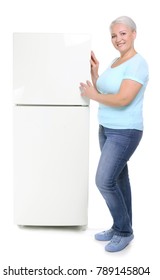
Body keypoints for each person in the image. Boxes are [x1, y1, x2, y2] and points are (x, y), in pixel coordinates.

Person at [80, 16, 149, 252]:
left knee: (104, 181)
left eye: (122, 33)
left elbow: (122, 99)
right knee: (118, 180)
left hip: (125, 131)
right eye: (113, 35)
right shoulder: (116, 62)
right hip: (107, 129)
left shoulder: (138, 63)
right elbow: (104, 90)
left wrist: (93, 95)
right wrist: (95, 72)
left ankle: (124, 231)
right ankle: (121, 224)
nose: (118, 39)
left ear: (133, 34)